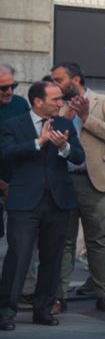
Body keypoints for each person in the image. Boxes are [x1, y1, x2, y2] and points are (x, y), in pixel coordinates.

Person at [0, 81, 84, 330]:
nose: (61, 103)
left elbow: (79, 157)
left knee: (52, 257)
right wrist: (39, 141)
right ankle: (6, 312)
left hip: (58, 200)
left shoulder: (65, 124)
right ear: (38, 101)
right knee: (19, 256)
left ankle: (43, 309)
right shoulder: (14, 124)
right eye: (55, 99)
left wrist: (64, 147)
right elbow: (6, 153)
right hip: (24, 201)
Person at [50, 62, 105, 313]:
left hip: (97, 181)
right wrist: (64, 119)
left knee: (98, 240)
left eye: (59, 80)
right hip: (65, 180)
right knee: (64, 240)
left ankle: (103, 293)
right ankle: (59, 296)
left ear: (76, 79)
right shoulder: (56, 105)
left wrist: (85, 117)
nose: (55, 84)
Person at [0, 62, 31, 238]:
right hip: (5, 183)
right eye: (3, 88)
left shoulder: (20, 104)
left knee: (20, 238)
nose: (10, 91)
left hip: (18, 182)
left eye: (13, 86)